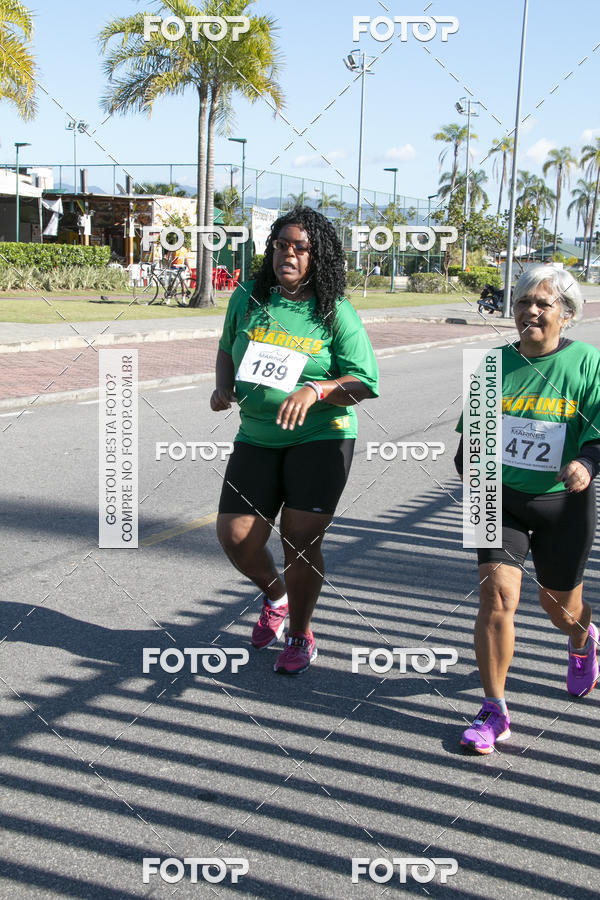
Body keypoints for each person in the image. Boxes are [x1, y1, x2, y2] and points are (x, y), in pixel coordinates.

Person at [210, 207, 379, 674]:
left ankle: (301, 634)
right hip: (258, 434)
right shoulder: (248, 297)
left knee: (299, 540)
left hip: (322, 435)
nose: (288, 253)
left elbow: (365, 381)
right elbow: (227, 347)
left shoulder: (334, 309)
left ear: (316, 255)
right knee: (236, 536)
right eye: (281, 244)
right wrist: (223, 386)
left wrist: (316, 389)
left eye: (299, 247)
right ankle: (276, 595)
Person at [455, 266, 600, 753]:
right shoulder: (491, 365)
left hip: (564, 503)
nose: (530, 311)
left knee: (559, 607)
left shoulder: (586, 363)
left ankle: (582, 640)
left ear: (567, 314)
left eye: (543, 304)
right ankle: (493, 710)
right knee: (495, 599)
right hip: (498, 498)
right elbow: (466, 448)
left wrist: (586, 461)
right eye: (522, 302)